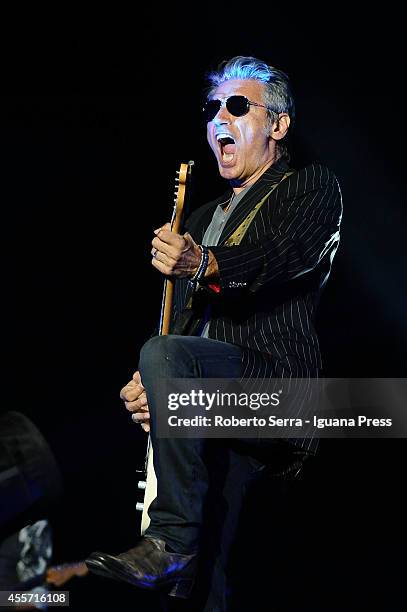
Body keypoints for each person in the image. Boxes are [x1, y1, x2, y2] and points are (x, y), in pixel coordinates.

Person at [86, 56, 342, 602]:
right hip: (209, 408)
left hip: (275, 392)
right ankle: (179, 557)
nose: (220, 118)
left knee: (166, 356)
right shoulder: (200, 217)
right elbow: (179, 328)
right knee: (211, 586)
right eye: (212, 108)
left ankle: (170, 540)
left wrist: (203, 264)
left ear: (278, 125)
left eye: (238, 106)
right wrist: (148, 382)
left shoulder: (311, 186)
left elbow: (283, 255)